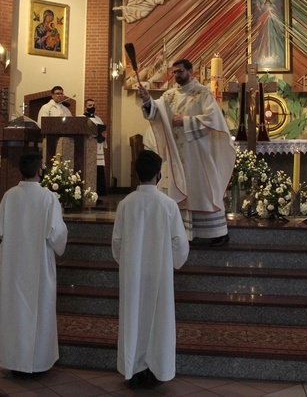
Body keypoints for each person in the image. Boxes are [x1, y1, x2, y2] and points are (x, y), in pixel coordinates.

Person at [112, 150, 189, 389]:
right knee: (159, 319)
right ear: (159, 174)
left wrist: (126, 262)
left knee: (133, 317)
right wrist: (173, 262)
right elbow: (179, 242)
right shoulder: (168, 205)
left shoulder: (126, 204)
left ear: (136, 174)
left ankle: (133, 369)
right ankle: (157, 370)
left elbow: (117, 243)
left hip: (133, 274)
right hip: (160, 273)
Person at [138, 59, 235, 246]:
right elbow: (156, 112)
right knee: (179, 190)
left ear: (191, 71)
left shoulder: (203, 93)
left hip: (198, 153)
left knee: (204, 190)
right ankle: (184, 234)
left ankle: (218, 232)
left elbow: (214, 120)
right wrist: (147, 100)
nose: (176, 76)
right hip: (177, 154)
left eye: (179, 72)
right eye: (173, 72)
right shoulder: (169, 95)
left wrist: (186, 121)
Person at [0, 152, 68, 377]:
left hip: (13, 264)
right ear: (39, 171)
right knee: (38, 309)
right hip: (38, 264)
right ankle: (36, 362)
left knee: (14, 310)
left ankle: (15, 360)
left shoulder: (9, 196)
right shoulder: (47, 198)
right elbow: (57, 235)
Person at [82, 98, 107, 197]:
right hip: (87, 148)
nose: (92, 107)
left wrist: (104, 136)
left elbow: (102, 132)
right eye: (90, 106)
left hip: (98, 148)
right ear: (85, 107)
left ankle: (97, 194)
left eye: (93, 105)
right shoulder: (81, 118)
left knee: (98, 171)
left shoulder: (98, 119)